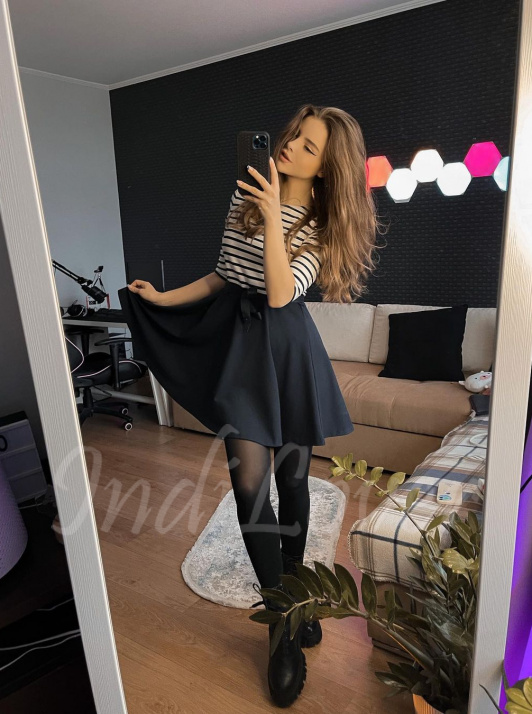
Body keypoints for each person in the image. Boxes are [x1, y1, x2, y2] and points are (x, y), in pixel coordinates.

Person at [118, 104, 384, 708]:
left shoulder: (320, 223)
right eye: (295, 136)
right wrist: (162, 297)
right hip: (241, 353)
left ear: (326, 169)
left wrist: (272, 218)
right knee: (248, 485)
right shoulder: (245, 196)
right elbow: (221, 277)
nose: (291, 147)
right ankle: (282, 624)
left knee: (293, 481)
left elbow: (282, 291)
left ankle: (300, 595)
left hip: (287, 353)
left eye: (309, 147)